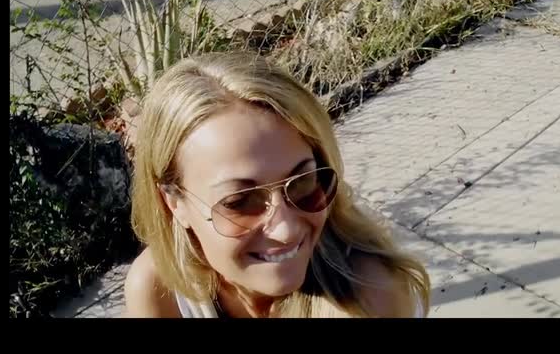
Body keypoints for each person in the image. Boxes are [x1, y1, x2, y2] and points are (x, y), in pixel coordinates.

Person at [123, 52, 430, 318]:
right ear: (173, 203)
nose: (286, 230)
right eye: (240, 202)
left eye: (303, 183)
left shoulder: (371, 298)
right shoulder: (158, 290)